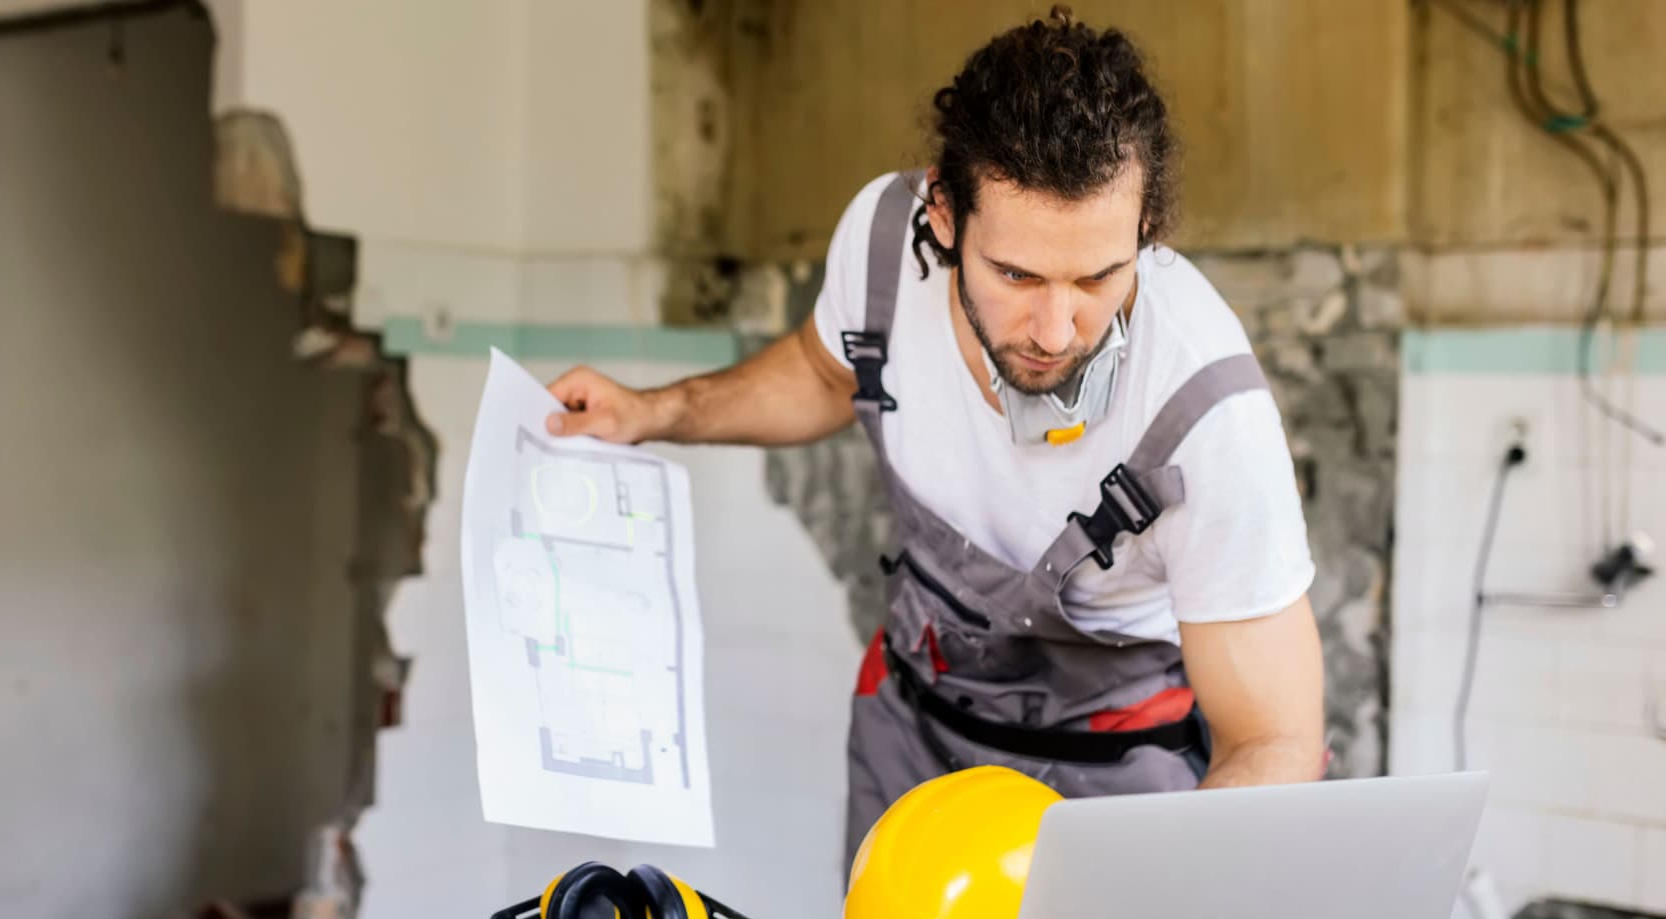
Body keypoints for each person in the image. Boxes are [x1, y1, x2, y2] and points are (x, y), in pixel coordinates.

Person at [544, 6, 1326, 867]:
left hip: (1109, 780)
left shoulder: (1206, 413)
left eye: (1098, 278)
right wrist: (657, 411)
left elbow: (1276, 741)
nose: (1056, 330)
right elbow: (823, 373)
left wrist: (1157, 892)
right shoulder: (885, 243)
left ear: (1145, 230)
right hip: (912, 741)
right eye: (1016, 274)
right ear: (945, 217)